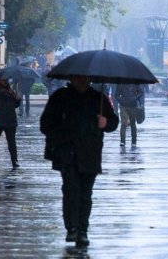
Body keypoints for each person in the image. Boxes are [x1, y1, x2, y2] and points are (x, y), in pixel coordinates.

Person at [40, 75, 119, 247]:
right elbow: (45, 124)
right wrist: (61, 131)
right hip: (66, 153)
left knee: (85, 194)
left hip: (90, 153)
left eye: (85, 79)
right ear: (72, 79)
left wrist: (105, 122)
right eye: (78, 78)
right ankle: (72, 228)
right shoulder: (60, 97)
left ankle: (83, 230)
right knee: (70, 191)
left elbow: (113, 122)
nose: (82, 81)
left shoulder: (98, 98)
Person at [114, 83, 144, 147]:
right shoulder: (120, 83)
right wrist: (121, 100)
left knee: (132, 123)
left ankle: (133, 141)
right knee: (124, 123)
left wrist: (135, 98)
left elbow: (141, 92)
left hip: (133, 106)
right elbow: (116, 95)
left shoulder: (135, 83)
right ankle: (122, 141)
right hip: (123, 106)